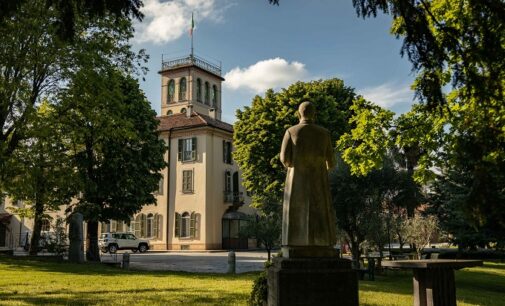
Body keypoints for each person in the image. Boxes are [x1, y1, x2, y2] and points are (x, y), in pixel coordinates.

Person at [280, 101, 337, 257]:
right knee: (320, 210)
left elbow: (284, 158)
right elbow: (331, 162)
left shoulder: (291, 131)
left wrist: (297, 165)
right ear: (314, 114)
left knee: (294, 211)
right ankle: (322, 241)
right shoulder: (324, 133)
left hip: (297, 180)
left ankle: (295, 242)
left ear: (299, 114)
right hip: (318, 180)